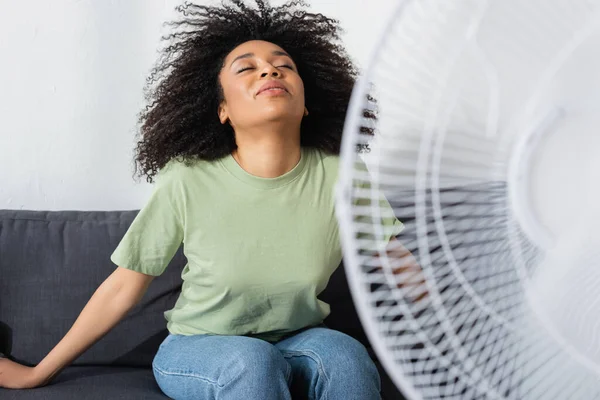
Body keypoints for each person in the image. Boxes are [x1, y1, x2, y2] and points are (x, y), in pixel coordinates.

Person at [0, 1, 410, 398]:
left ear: (306, 105)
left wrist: (467, 322)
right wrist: (38, 373)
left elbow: (400, 268)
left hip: (298, 339)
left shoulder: (342, 173)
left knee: (346, 358)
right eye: (246, 68)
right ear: (222, 111)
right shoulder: (187, 178)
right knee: (250, 361)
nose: (270, 69)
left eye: (285, 65)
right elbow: (124, 285)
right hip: (200, 347)